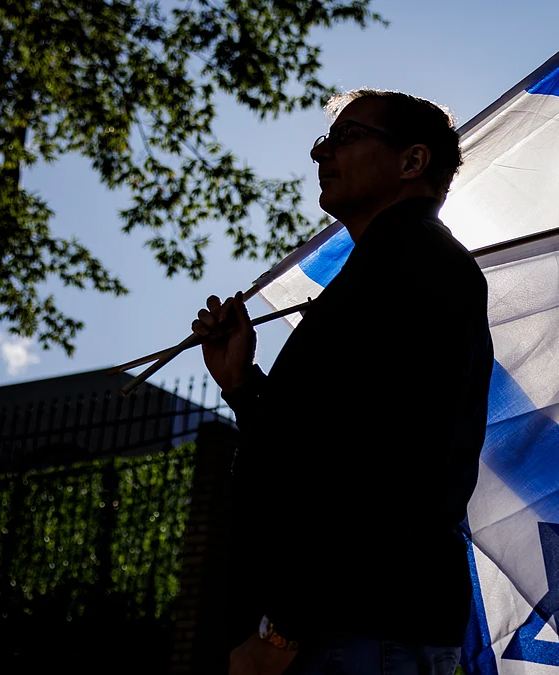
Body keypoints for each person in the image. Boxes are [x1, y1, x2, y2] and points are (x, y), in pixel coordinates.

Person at [192, 90, 494, 675]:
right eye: (321, 143)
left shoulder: (413, 265)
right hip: (353, 626)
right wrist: (242, 386)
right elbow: (319, 438)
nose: (322, 154)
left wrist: (284, 632)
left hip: (352, 629)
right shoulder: (389, 266)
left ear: (412, 161)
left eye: (347, 137)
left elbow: (381, 463)